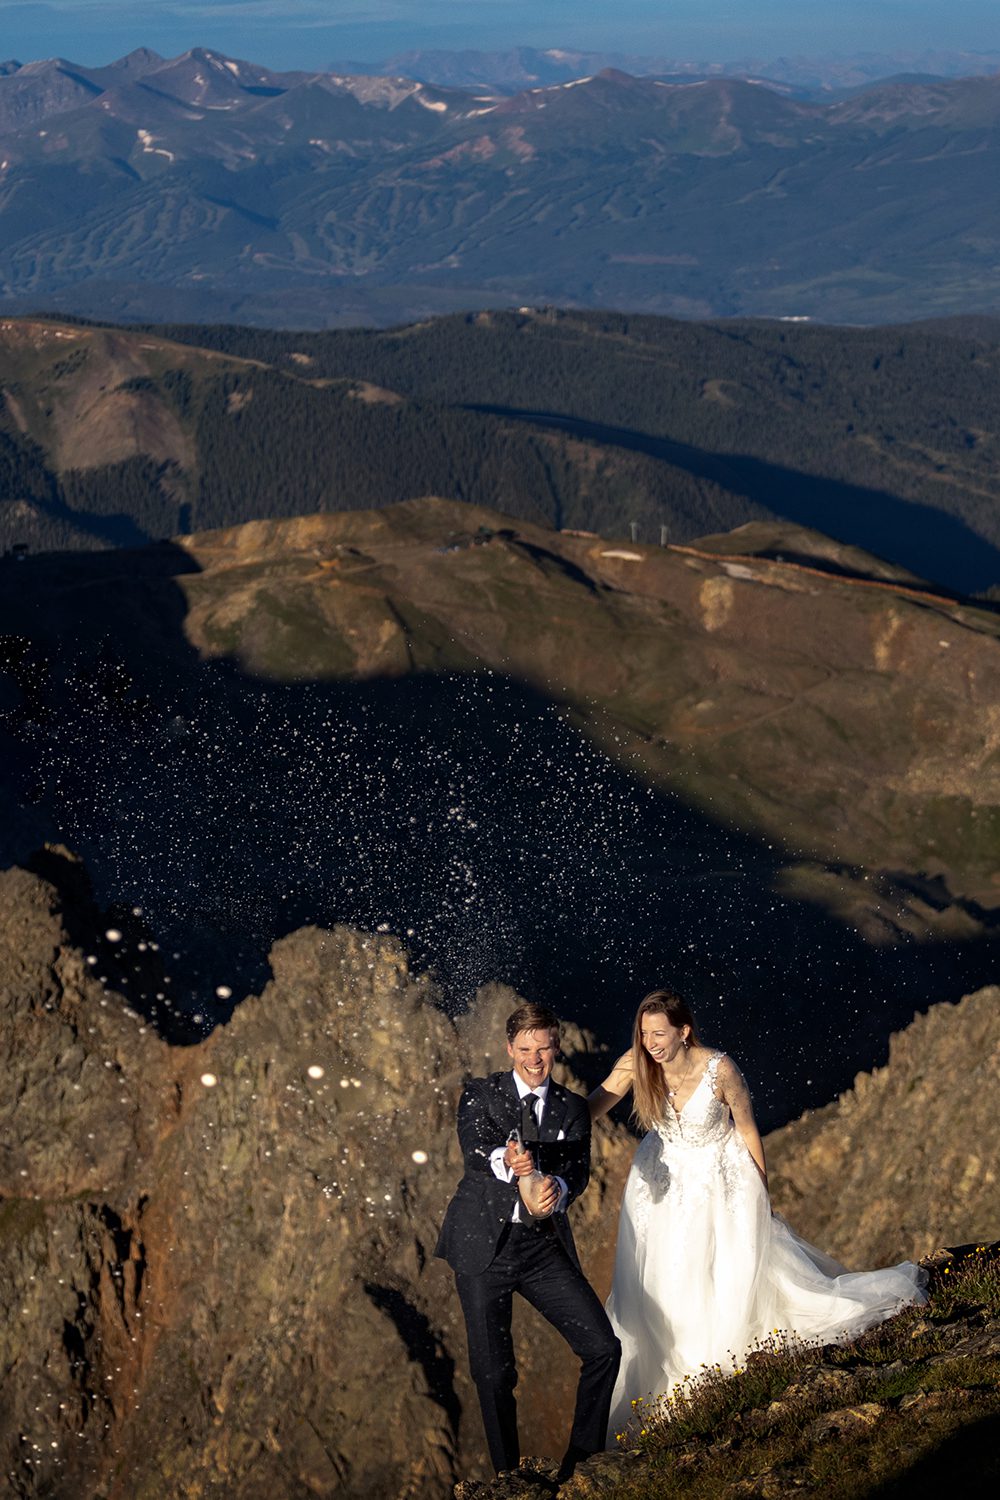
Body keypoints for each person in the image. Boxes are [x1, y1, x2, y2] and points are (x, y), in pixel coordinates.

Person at [589, 988, 928, 1443]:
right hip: (661, 1188)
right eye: (644, 1033)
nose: (650, 1043)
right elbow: (592, 1108)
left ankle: (709, 1369)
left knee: (719, 1275)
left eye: (659, 1034)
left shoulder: (720, 1069)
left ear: (684, 1031)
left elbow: (748, 1130)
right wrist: (544, 1117)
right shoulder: (636, 1065)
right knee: (665, 1277)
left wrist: (760, 1198)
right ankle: (666, 1379)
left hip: (717, 1182)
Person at [435, 1002, 621, 1481]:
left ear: (556, 1046)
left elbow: (578, 1171)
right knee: (494, 1374)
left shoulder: (573, 1108)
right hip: (483, 1248)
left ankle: (580, 1466)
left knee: (603, 1348)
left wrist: (557, 1187)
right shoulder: (480, 1094)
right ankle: (509, 1479)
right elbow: (476, 1149)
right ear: (509, 1048)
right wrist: (509, 1161)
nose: (534, 1059)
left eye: (543, 1049)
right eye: (524, 1049)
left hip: (540, 1251)